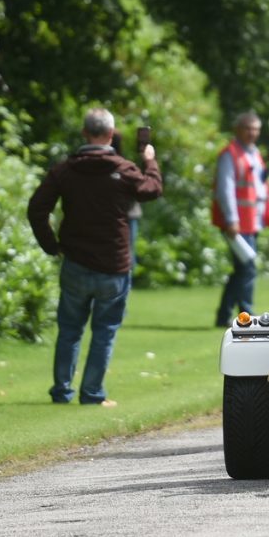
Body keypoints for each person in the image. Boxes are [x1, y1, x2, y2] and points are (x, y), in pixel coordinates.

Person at [27, 107, 163, 405]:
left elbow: (37, 209)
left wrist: (52, 245)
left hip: (75, 262)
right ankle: (92, 393)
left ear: (84, 133)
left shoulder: (65, 169)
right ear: (111, 135)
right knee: (104, 332)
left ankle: (62, 391)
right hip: (113, 265)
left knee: (70, 330)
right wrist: (150, 161)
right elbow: (152, 190)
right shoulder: (125, 168)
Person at [212, 111, 269, 327]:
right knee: (248, 268)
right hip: (237, 224)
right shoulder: (229, 154)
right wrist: (231, 219)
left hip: (251, 222)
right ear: (238, 130)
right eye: (248, 128)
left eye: (255, 129)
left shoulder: (254, 154)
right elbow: (225, 189)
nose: (252, 133)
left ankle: (223, 316)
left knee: (242, 270)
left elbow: (262, 189)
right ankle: (246, 315)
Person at [110, 132, 144, 266]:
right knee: (128, 250)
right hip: (129, 213)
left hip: (119, 213)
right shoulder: (126, 166)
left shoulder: (114, 166)